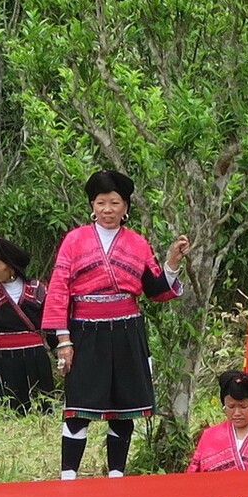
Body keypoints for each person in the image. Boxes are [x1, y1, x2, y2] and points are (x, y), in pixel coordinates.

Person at [43, 170, 191, 479]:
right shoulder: (74, 241)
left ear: (126, 207)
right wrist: (63, 339)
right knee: (78, 408)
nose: (107, 210)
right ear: (92, 206)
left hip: (127, 332)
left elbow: (156, 290)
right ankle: (68, 475)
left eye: (115, 203)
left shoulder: (137, 243)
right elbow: (58, 290)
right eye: (101, 203)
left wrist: (172, 262)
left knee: (125, 408)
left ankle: (116, 475)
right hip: (85, 332)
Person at [0, 237, 55, 414]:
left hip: (34, 360)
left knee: (39, 411)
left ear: (11, 267)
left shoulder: (38, 290)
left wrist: (61, 350)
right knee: (4, 411)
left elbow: (52, 323)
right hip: (1, 363)